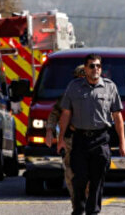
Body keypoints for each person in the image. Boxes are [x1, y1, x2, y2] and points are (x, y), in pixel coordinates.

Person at [57, 54, 125, 215]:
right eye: (91, 66)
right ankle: (78, 209)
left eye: (98, 66)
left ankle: (93, 211)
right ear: (85, 69)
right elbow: (66, 114)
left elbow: (117, 116)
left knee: (97, 179)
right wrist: (61, 139)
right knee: (79, 178)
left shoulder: (110, 87)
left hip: (101, 139)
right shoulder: (74, 87)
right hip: (80, 139)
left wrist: (123, 142)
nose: (95, 69)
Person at [44, 64, 87, 203]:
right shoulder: (67, 96)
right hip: (72, 138)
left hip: (91, 139)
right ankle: (76, 200)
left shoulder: (100, 94)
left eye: (84, 78)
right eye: (78, 79)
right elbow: (54, 114)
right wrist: (49, 131)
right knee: (70, 170)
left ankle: (88, 199)